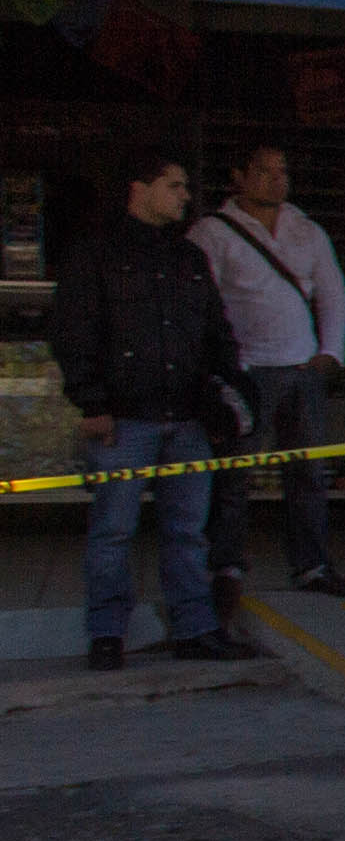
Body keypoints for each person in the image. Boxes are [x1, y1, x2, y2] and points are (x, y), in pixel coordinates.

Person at [50, 144, 256, 669]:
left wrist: (231, 392)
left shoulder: (188, 257)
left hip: (188, 417)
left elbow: (216, 333)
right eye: (175, 185)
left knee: (187, 531)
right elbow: (74, 333)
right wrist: (92, 403)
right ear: (140, 188)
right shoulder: (94, 252)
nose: (186, 196)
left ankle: (195, 628)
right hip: (123, 419)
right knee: (113, 531)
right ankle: (106, 635)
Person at [187, 139, 345, 608]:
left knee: (307, 473)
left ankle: (312, 565)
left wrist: (330, 349)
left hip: (302, 368)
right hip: (247, 371)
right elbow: (200, 303)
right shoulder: (213, 232)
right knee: (234, 476)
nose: (276, 179)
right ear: (238, 176)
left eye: (282, 171)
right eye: (264, 171)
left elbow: (333, 291)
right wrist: (221, 366)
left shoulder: (306, 229)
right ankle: (226, 566)